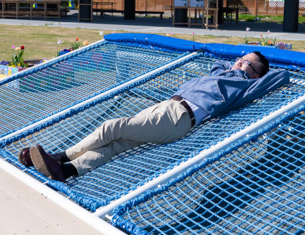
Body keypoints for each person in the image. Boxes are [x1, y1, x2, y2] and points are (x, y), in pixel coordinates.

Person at [20, 51, 289, 182]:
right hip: (167, 107)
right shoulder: (222, 72)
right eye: (240, 58)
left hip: (179, 117)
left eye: (246, 63)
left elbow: (280, 76)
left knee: (112, 127)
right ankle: (66, 171)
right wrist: (240, 62)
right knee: (116, 145)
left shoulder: (245, 85)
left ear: (255, 73)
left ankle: (59, 158)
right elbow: (218, 63)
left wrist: (258, 66)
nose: (238, 63)